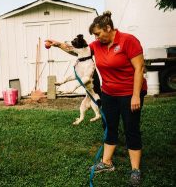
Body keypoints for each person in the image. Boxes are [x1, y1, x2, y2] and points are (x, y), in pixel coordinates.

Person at [47, 11, 147, 186]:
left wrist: (136, 95)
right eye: (94, 35)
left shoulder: (128, 40)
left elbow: (139, 68)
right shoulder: (97, 45)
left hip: (130, 93)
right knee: (110, 126)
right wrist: (57, 45)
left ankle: (135, 170)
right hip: (109, 93)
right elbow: (76, 51)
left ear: (108, 28)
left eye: (98, 34)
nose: (96, 37)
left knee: (131, 129)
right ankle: (107, 163)